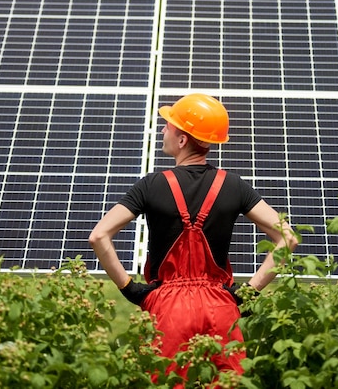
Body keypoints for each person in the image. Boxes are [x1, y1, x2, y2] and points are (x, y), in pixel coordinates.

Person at [89, 93, 298, 380]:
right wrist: (248, 292)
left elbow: (100, 236)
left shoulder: (151, 185)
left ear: (183, 139)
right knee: (227, 382)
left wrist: (129, 288)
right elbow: (287, 238)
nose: (163, 130)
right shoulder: (235, 185)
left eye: (169, 126)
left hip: (166, 308)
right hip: (221, 305)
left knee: (167, 382)